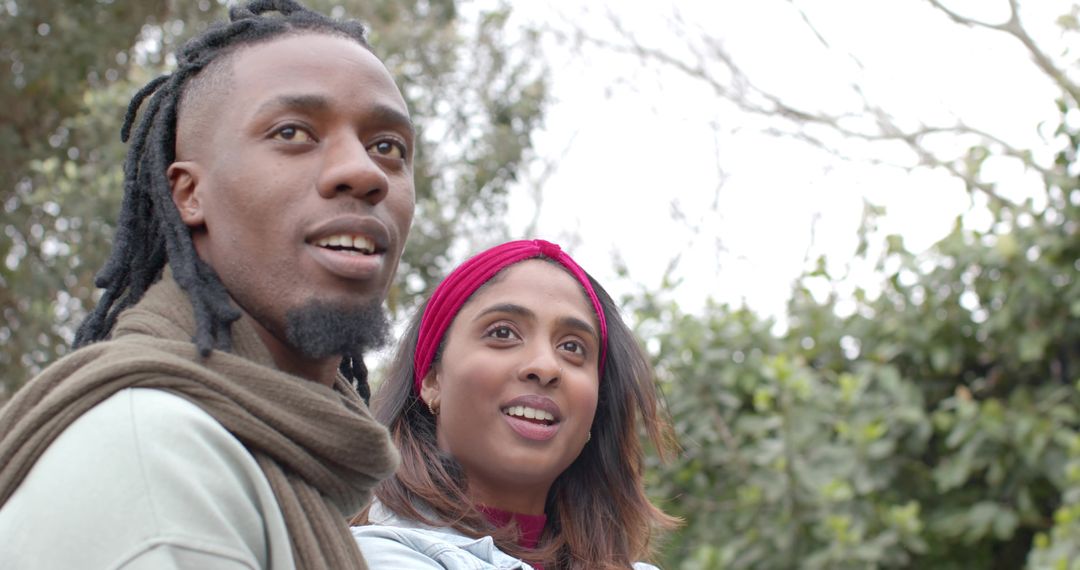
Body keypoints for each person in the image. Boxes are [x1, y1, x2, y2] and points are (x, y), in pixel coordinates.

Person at [0, 1, 414, 568]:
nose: (364, 172)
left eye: (388, 147)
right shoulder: (155, 465)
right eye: (292, 132)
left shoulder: (281, 459)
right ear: (188, 195)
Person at [352, 239, 679, 569]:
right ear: (433, 380)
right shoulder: (370, 556)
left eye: (572, 346)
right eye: (503, 333)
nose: (546, 367)